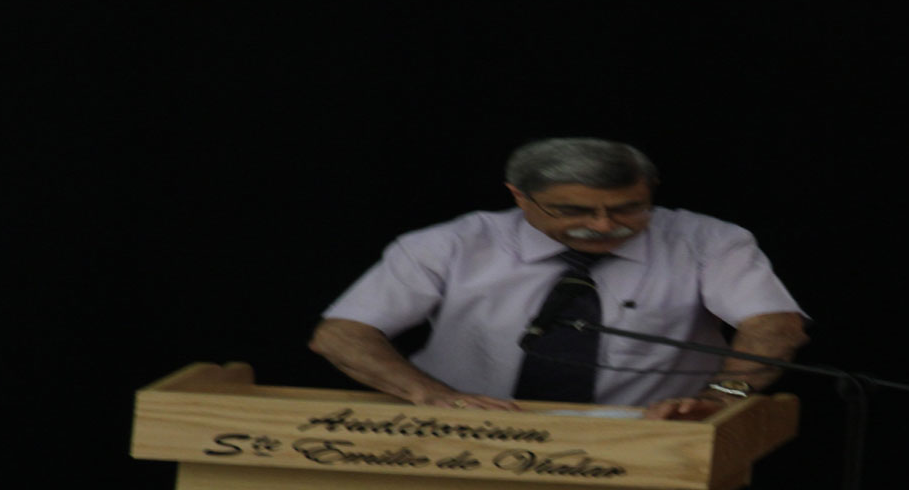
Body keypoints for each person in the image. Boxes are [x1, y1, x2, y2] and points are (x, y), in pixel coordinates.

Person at [309, 137, 808, 420]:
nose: (604, 225)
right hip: (466, 429)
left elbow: (775, 329)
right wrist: (431, 395)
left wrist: (721, 399)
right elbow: (343, 336)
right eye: (574, 210)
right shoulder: (452, 244)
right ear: (519, 196)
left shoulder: (709, 241)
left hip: (645, 437)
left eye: (629, 208)